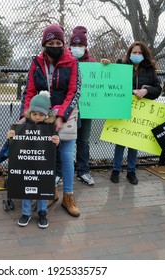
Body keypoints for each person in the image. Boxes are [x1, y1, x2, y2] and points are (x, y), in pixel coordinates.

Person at [20, 23, 81, 217]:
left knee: (66, 156)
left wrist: (62, 115)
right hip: (42, 116)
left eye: (58, 42)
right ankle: (49, 192)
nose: (55, 45)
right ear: (44, 44)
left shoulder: (72, 62)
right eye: (51, 42)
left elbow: (74, 90)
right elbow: (29, 91)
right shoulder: (36, 62)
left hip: (66, 114)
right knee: (46, 156)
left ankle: (68, 196)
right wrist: (25, 115)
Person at [110, 41, 162, 185]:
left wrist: (146, 91)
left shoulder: (150, 70)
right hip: (123, 108)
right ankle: (116, 169)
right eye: (134, 52)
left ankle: (131, 171)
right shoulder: (121, 65)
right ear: (130, 53)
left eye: (140, 53)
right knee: (120, 141)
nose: (137, 55)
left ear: (144, 55)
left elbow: (158, 89)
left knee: (134, 142)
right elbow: (112, 84)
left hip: (140, 112)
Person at [8, 91, 59, 228]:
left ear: (47, 115)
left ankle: (43, 213)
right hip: (27, 164)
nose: (37, 117)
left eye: (41, 114)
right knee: (27, 187)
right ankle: (26, 213)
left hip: (43, 166)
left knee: (42, 188)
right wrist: (11, 137)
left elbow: (54, 151)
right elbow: (13, 147)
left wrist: (56, 141)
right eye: (34, 113)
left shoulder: (50, 128)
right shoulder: (23, 127)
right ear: (30, 112)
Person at [68, 26, 110, 186]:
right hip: (68, 109)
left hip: (86, 108)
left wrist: (105, 66)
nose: (77, 48)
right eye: (74, 45)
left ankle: (83, 171)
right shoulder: (65, 60)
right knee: (63, 140)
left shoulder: (92, 64)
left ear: (86, 47)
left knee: (83, 141)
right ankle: (59, 172)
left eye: (80, 45)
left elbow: (103, 80)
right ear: (70, 45)